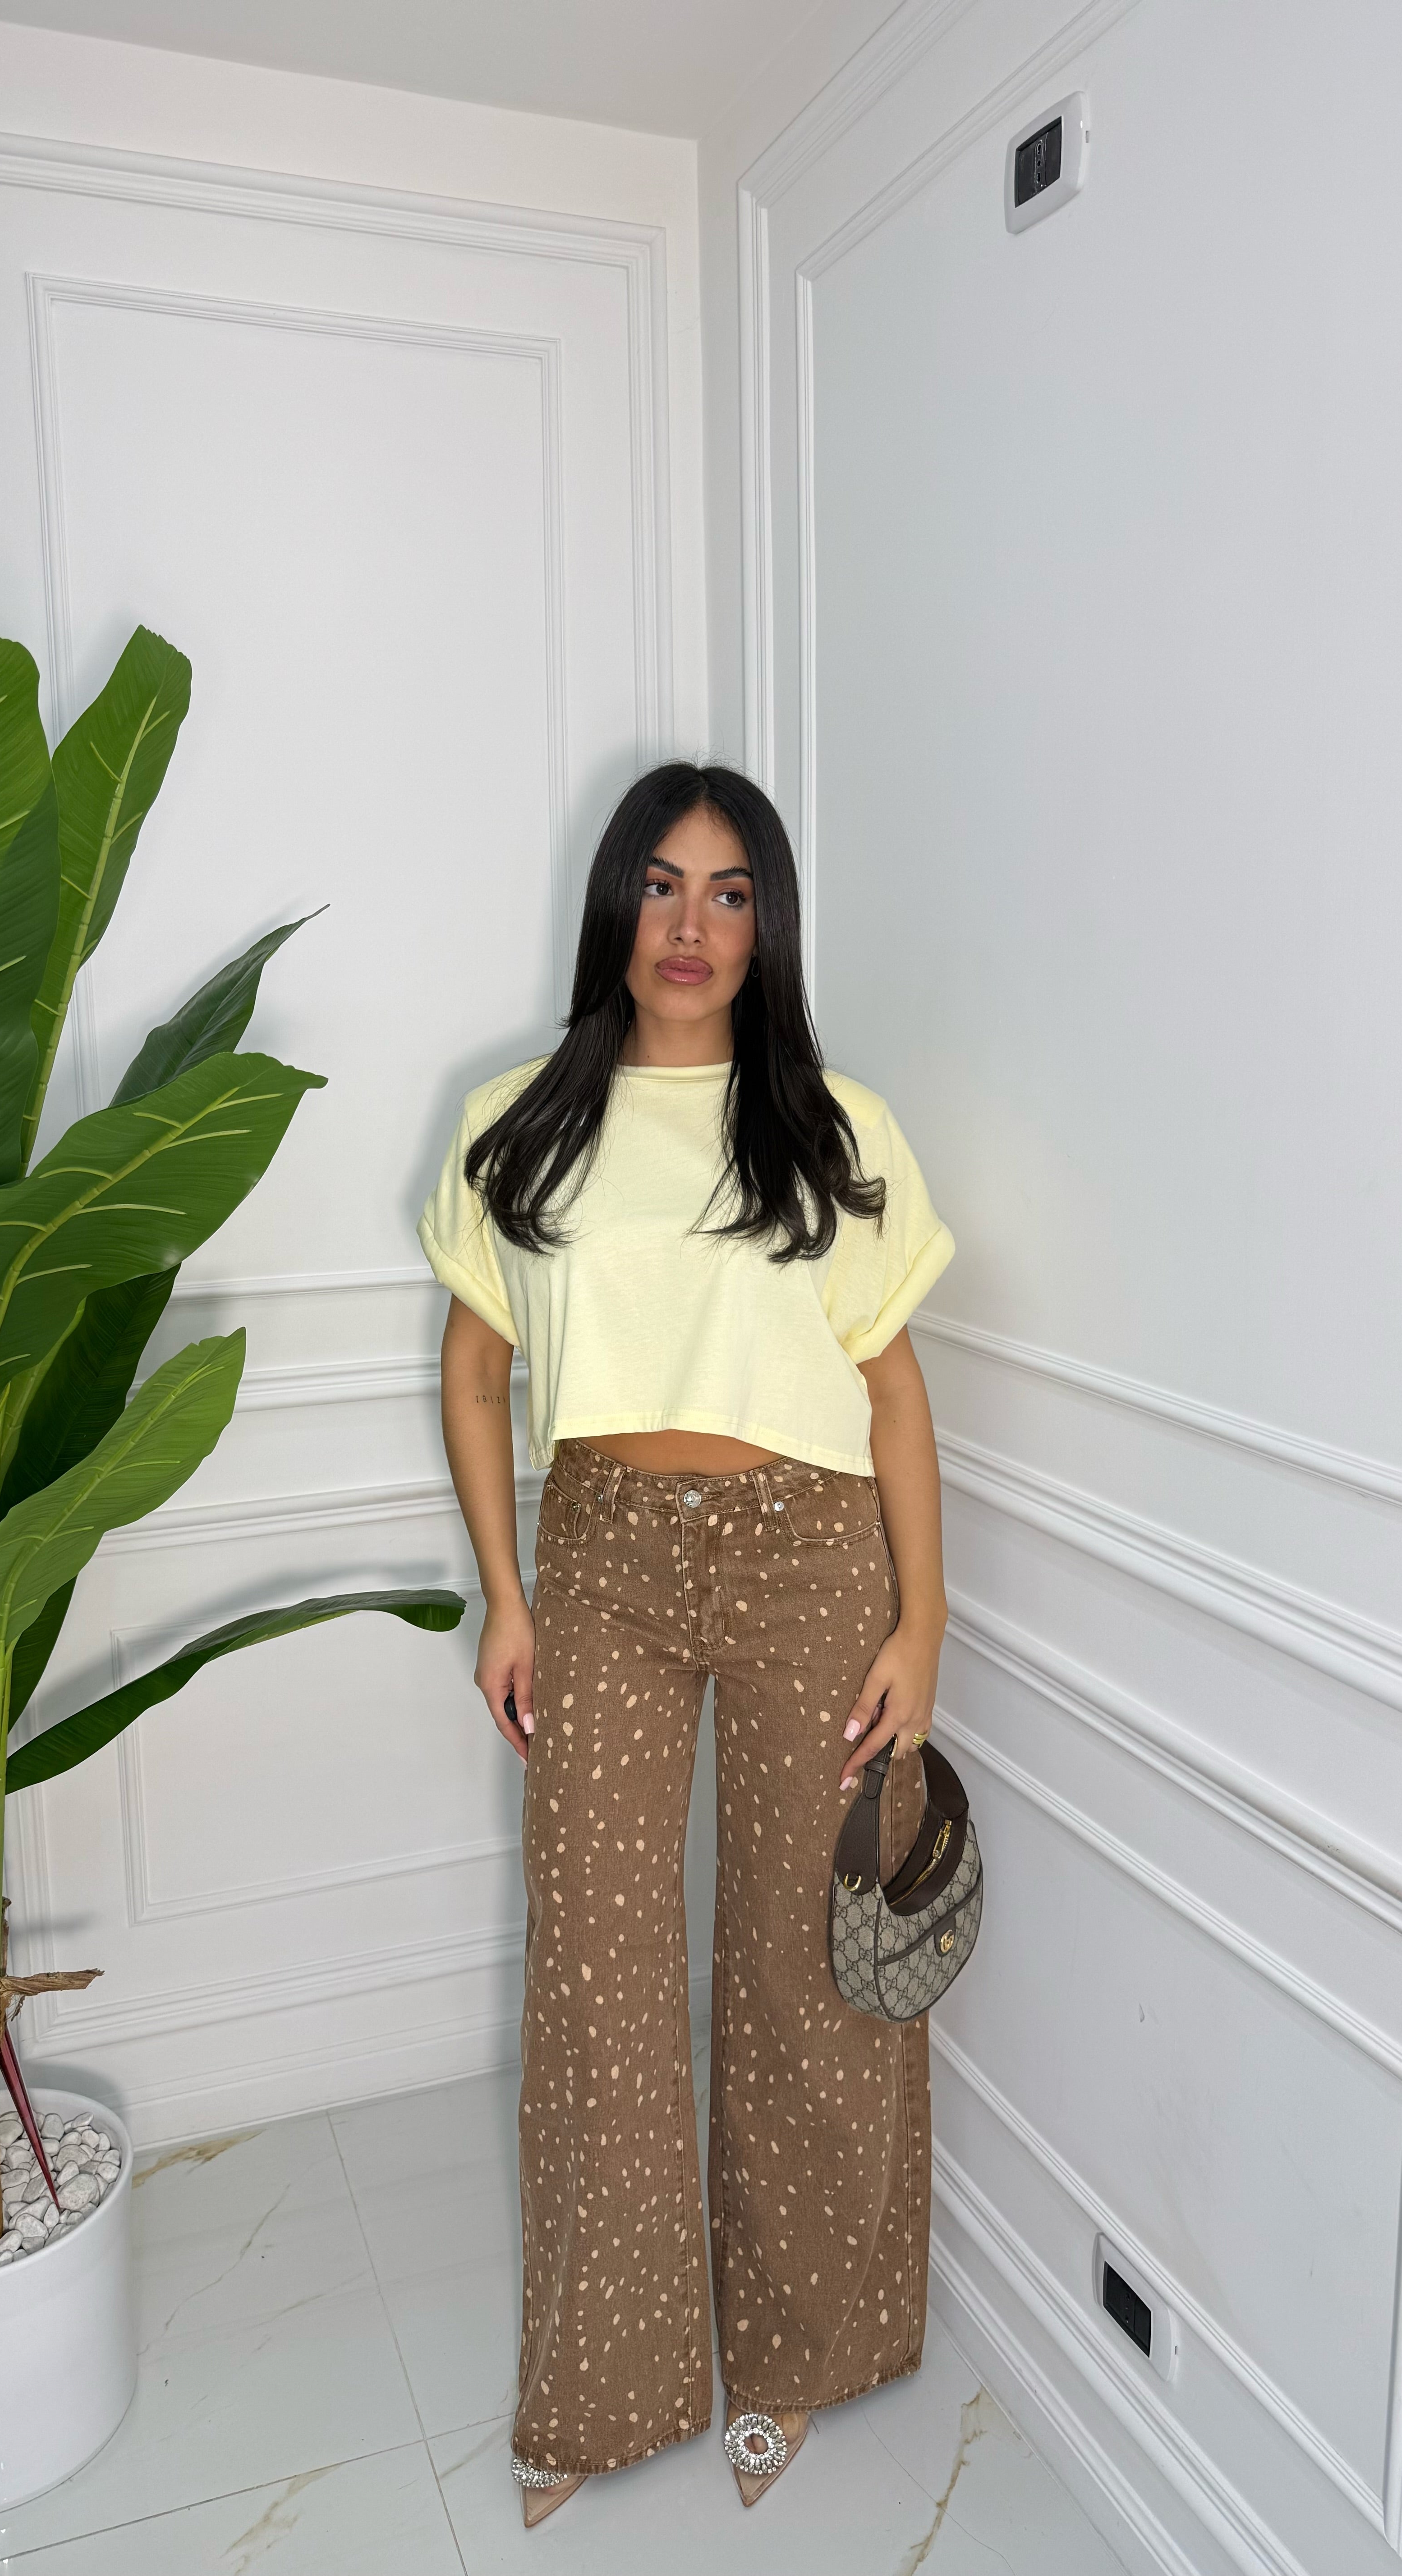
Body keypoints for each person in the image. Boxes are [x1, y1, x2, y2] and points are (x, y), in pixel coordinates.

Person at [420, 763, 954, 2525]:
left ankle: (802, 2356)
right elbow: (477, 1373)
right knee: (596, 1970)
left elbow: (893, 1394)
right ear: (616, 905)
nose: (691, 925)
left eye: (731, 893)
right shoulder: (521, 1121)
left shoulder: (835, 1128)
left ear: (767, 926)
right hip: (603, 1559)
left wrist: (923, 1622)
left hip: (811, 1556)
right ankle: (598, 2392)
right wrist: (506, 1594)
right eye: (661, 884)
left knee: (812, 1960)